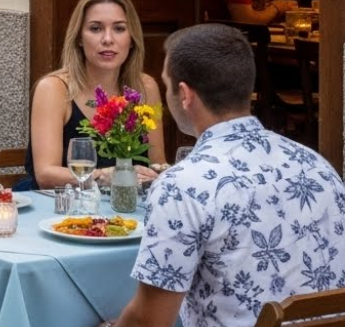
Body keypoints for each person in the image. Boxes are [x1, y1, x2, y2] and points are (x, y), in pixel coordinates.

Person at [104, 23, 345, 327]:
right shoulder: (317, 166)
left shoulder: (182, 186)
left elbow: (148, 322)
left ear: (184, 95)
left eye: (167, 86)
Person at [25, 0, 166, 191]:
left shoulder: (145, 87)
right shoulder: (54, 89)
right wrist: (103, 176)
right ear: (79, 38)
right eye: (95, 28)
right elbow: (46, 174)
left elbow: (157, 164)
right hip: (60, 211)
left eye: (119, 29)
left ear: (132, 38)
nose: (108, 39)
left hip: (127, 212)